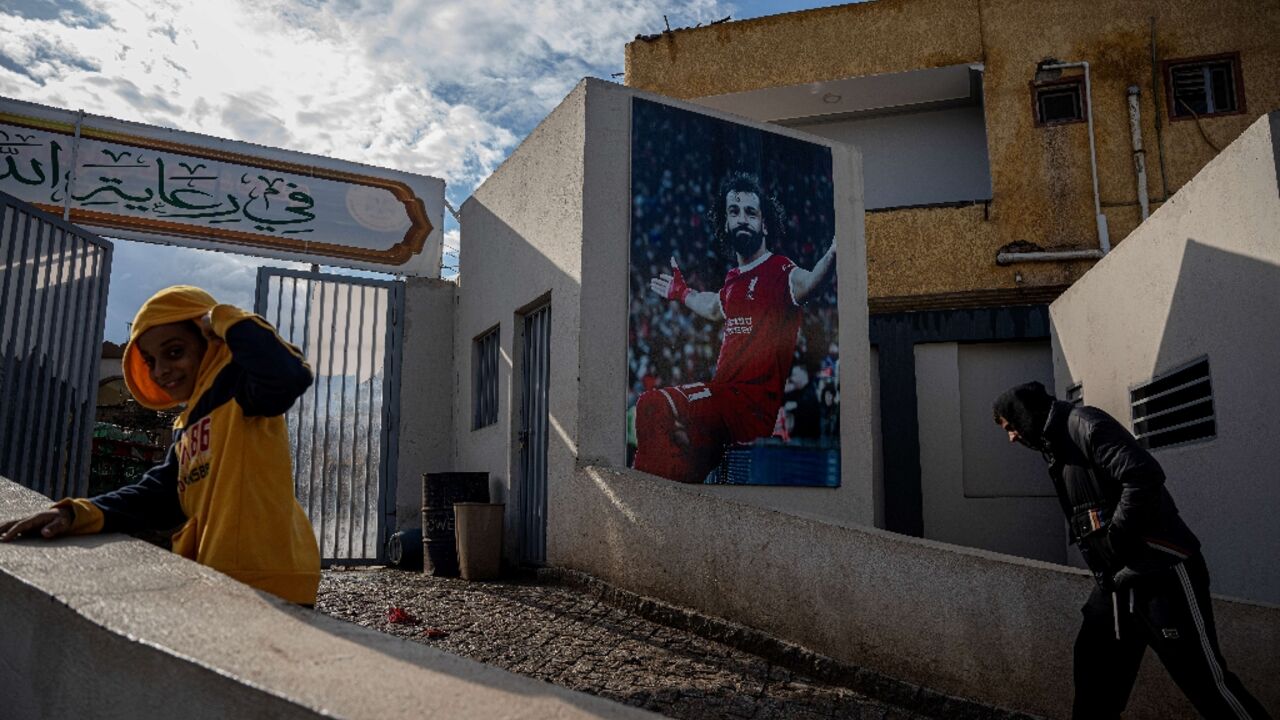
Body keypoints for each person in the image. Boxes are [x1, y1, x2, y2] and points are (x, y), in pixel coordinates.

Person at [0, 285, 322, 606]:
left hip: (268, 577)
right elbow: (156, 496)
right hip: (224, 579)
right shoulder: (187, 427)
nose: (160, 370)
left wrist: (221, 317)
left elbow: (289, 375)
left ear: (209, 341)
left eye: (174, 352)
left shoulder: (242, 391)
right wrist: (75, 514)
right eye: (150, 361)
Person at [993, 381, 1270, 720]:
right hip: (1117, 582)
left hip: (1161, 570)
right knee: (1094, 679)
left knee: (1205, 683)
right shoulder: (1056, 445)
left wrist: (1116, 540)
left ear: (1025, 413)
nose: (1012, 437)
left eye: (1010, 427)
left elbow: (1143, 476)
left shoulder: (1084, 425)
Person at [632, 170, 837, 483]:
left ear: (764, 224)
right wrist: (682, 293)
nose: (742, 219)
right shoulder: (732, 280)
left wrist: (834, 251)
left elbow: (810, 283)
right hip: (723, 405)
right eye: (734, 211)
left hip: (746, 408)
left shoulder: (781, 269)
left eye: (750, 213)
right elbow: (713, 306)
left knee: (652, 405)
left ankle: (644, 496)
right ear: (726, 222)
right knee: (679, 464)